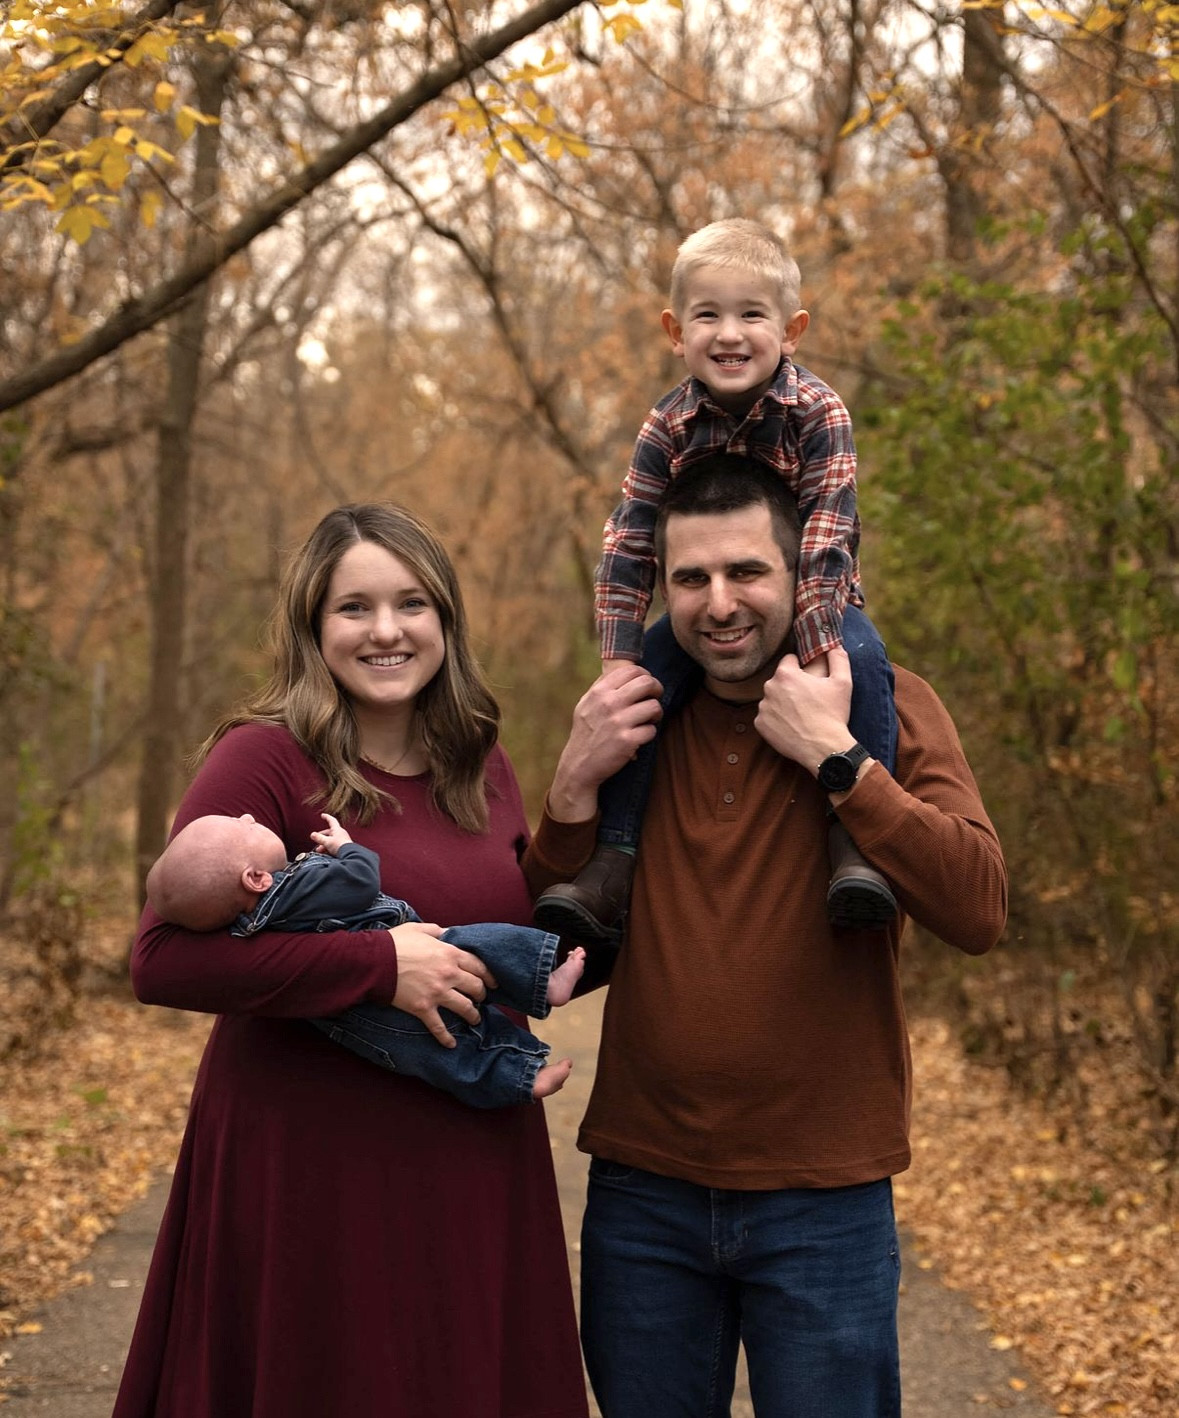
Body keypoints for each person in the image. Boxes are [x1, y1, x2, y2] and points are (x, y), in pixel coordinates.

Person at [524, 456, 1008, 1418]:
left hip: (822, 1199)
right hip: (643, 1190)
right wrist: (570, 790)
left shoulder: (886, 704)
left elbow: (978, 907)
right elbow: (553, 956)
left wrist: (840, 761)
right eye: (690, 578)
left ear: (801, 575)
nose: (718, 603)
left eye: (746, 571)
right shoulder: (636, 722)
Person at [113, 503, 590, 1418]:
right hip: (309, 1168)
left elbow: (516, 924)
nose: (385, 631)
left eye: (411, 603)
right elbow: (161, 961)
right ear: (312, 626)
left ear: (444, 619)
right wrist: (378, 966)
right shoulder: (262, 759)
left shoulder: (479, 762)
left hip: (471, 1159)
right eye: (353, 607)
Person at [534, 218, 897, 944]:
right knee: (638, 696)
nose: (729, 334)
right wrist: (618, 659)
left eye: (751, 314)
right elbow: (630, 537)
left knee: (862, 662)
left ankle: (855, 845)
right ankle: (614, 858)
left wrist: (816, 646)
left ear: (791, 330)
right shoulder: (666, 425)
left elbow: (828, 532)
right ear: (676, 331)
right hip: (704, 617)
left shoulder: (817, 411)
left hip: (818, 599)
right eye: (707, 315)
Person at [144, 809, 586, 1108]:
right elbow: (361, 880)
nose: (247, 815)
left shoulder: (251, 925)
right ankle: (542, 982)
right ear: (257, 878)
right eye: (243, 828)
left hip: (365, 1022)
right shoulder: (294, 889)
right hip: (405, 956)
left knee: (446, 1055)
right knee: (476, 944)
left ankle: (522, 1077)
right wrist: (345, 847)